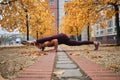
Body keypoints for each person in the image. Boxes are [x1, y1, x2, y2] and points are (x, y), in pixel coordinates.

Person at [22, 33, 100, 52]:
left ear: (40, 45)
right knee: (78, 43)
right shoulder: (44, 44)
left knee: (50, 38)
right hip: (63, 38)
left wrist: (55, 49)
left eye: (37, 46)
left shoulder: (45, 43)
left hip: (61, 37)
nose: (38, 48)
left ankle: (33, 41)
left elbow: (55, 40)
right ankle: (94, 42)